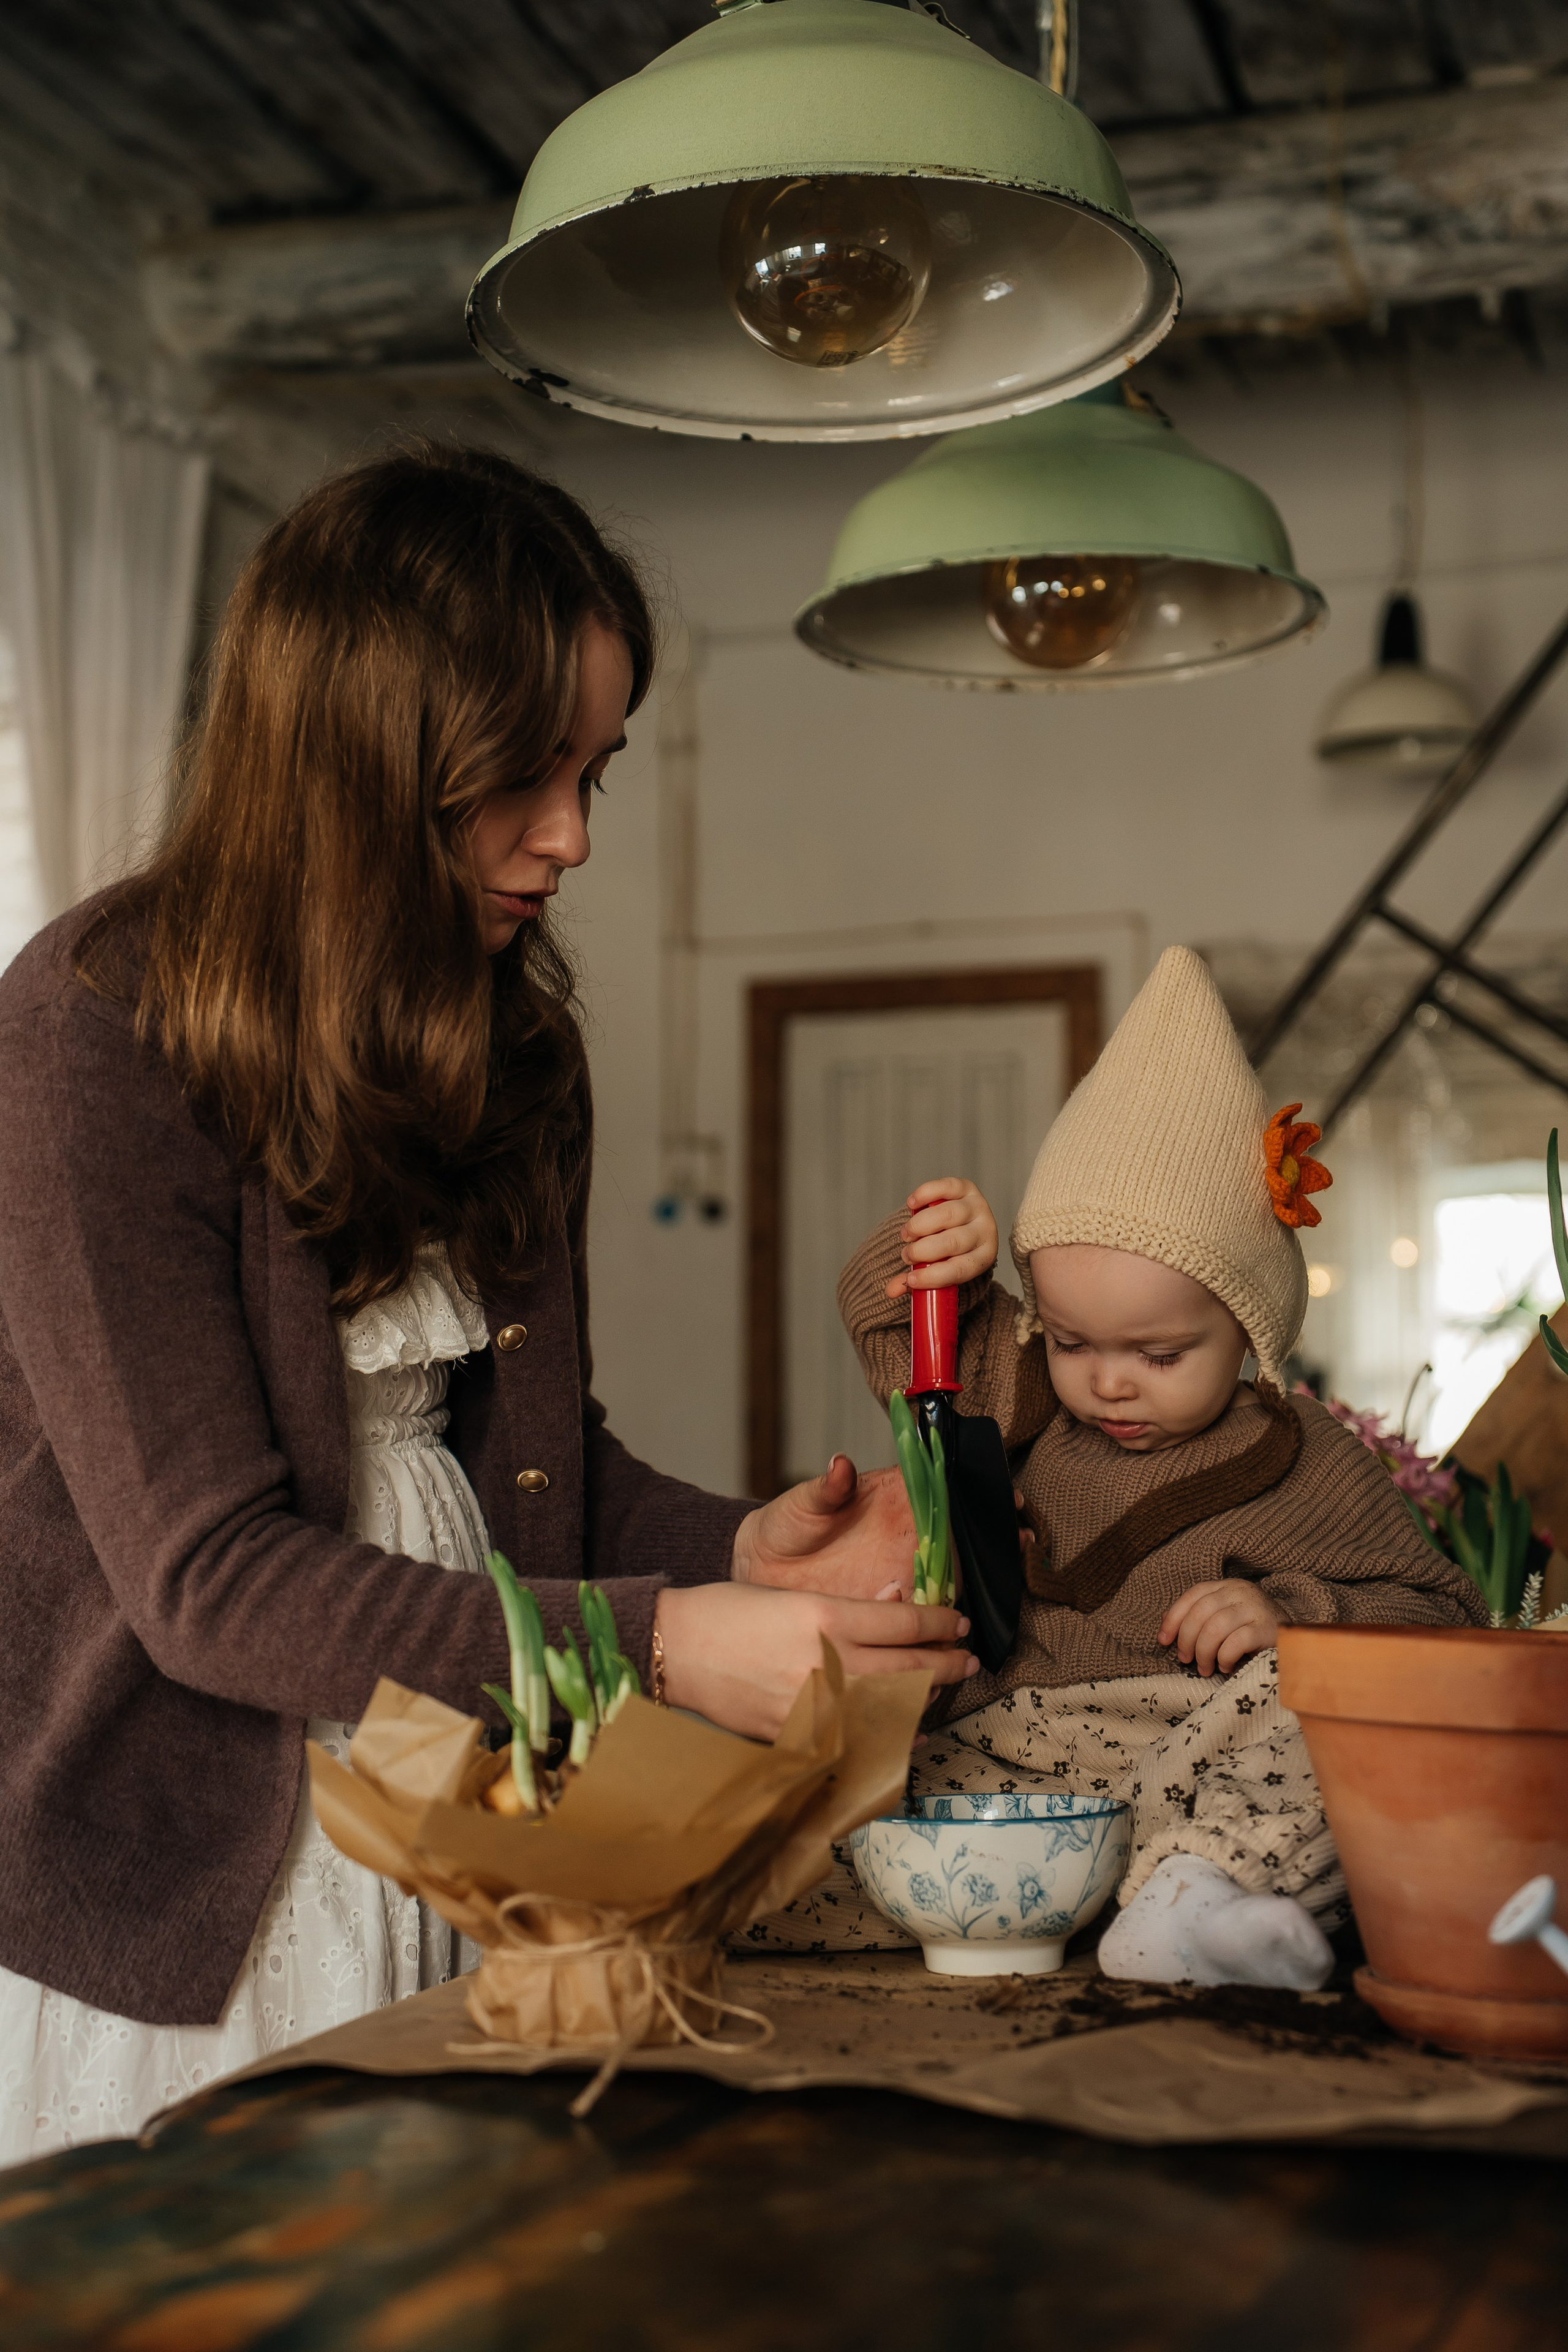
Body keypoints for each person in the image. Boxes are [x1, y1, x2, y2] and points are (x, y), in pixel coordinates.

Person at [0, 445, 972, 2163]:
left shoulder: (514, 1045)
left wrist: (745, 1548)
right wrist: (668, 1643)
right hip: (185, 1873)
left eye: (592, 771)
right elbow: (207, 1584)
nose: (571, 836)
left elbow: (510, 1464)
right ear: (363, 750)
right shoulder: (98, 1026)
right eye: (523, 773)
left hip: (463, 1797)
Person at [756, 946, 1484, 1985]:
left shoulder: (1309, 1460)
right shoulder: (1022, 1395)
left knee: (1327, 1711)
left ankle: (1194, 1904)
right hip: (1011, 1775)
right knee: (805, 1818)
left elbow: (1444, 1619)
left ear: (1249, 1328)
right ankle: (743, 1898)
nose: (1107, 1383)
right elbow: (888, 1316)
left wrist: (1291, 1612)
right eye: (1072, 1339)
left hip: (1197, 1767)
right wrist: (940, 1248)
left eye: (1160, 1355)